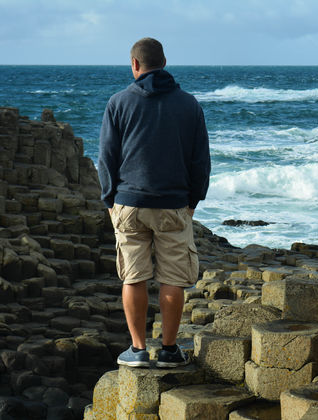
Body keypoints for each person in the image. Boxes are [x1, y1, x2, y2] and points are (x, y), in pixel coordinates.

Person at [98, 37, 210, 368]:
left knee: (133, 277)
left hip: (129, 203)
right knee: (172, 279)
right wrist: (193, 201)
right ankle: (169, 350)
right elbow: (200, 161)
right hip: (173, 204)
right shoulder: (189, 104)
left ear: (135, 64)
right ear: (164, 62)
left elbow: (106, 157)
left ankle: (136, 350)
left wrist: (109, 200)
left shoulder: (118, 102)